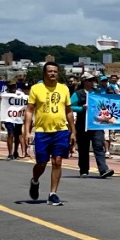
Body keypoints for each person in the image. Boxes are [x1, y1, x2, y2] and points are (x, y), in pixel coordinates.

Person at [25, 64, 73, 203]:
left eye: (55, 72)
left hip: (60, 131)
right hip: (42, 131)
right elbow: (29, 110)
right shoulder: (36, 89)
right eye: (50, 71)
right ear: (44, 73)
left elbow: (68, 111)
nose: (53, 74)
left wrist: (73, 131)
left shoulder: (63, 89)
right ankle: (35, 180)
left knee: (57, 161)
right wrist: (27, 131)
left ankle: (53, 193)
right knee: (41, 162)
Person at [0, 78, 27, 160]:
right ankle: (10, 153)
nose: (13, 87)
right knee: (10, 134)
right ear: (8, 86)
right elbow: (2, 106)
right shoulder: (4, 94)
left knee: (17, 135)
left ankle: (15, 151)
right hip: (8, 117)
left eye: (14, 85)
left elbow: (25, 102)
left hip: (18, 117)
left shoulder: (20, 93)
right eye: (11, 86)